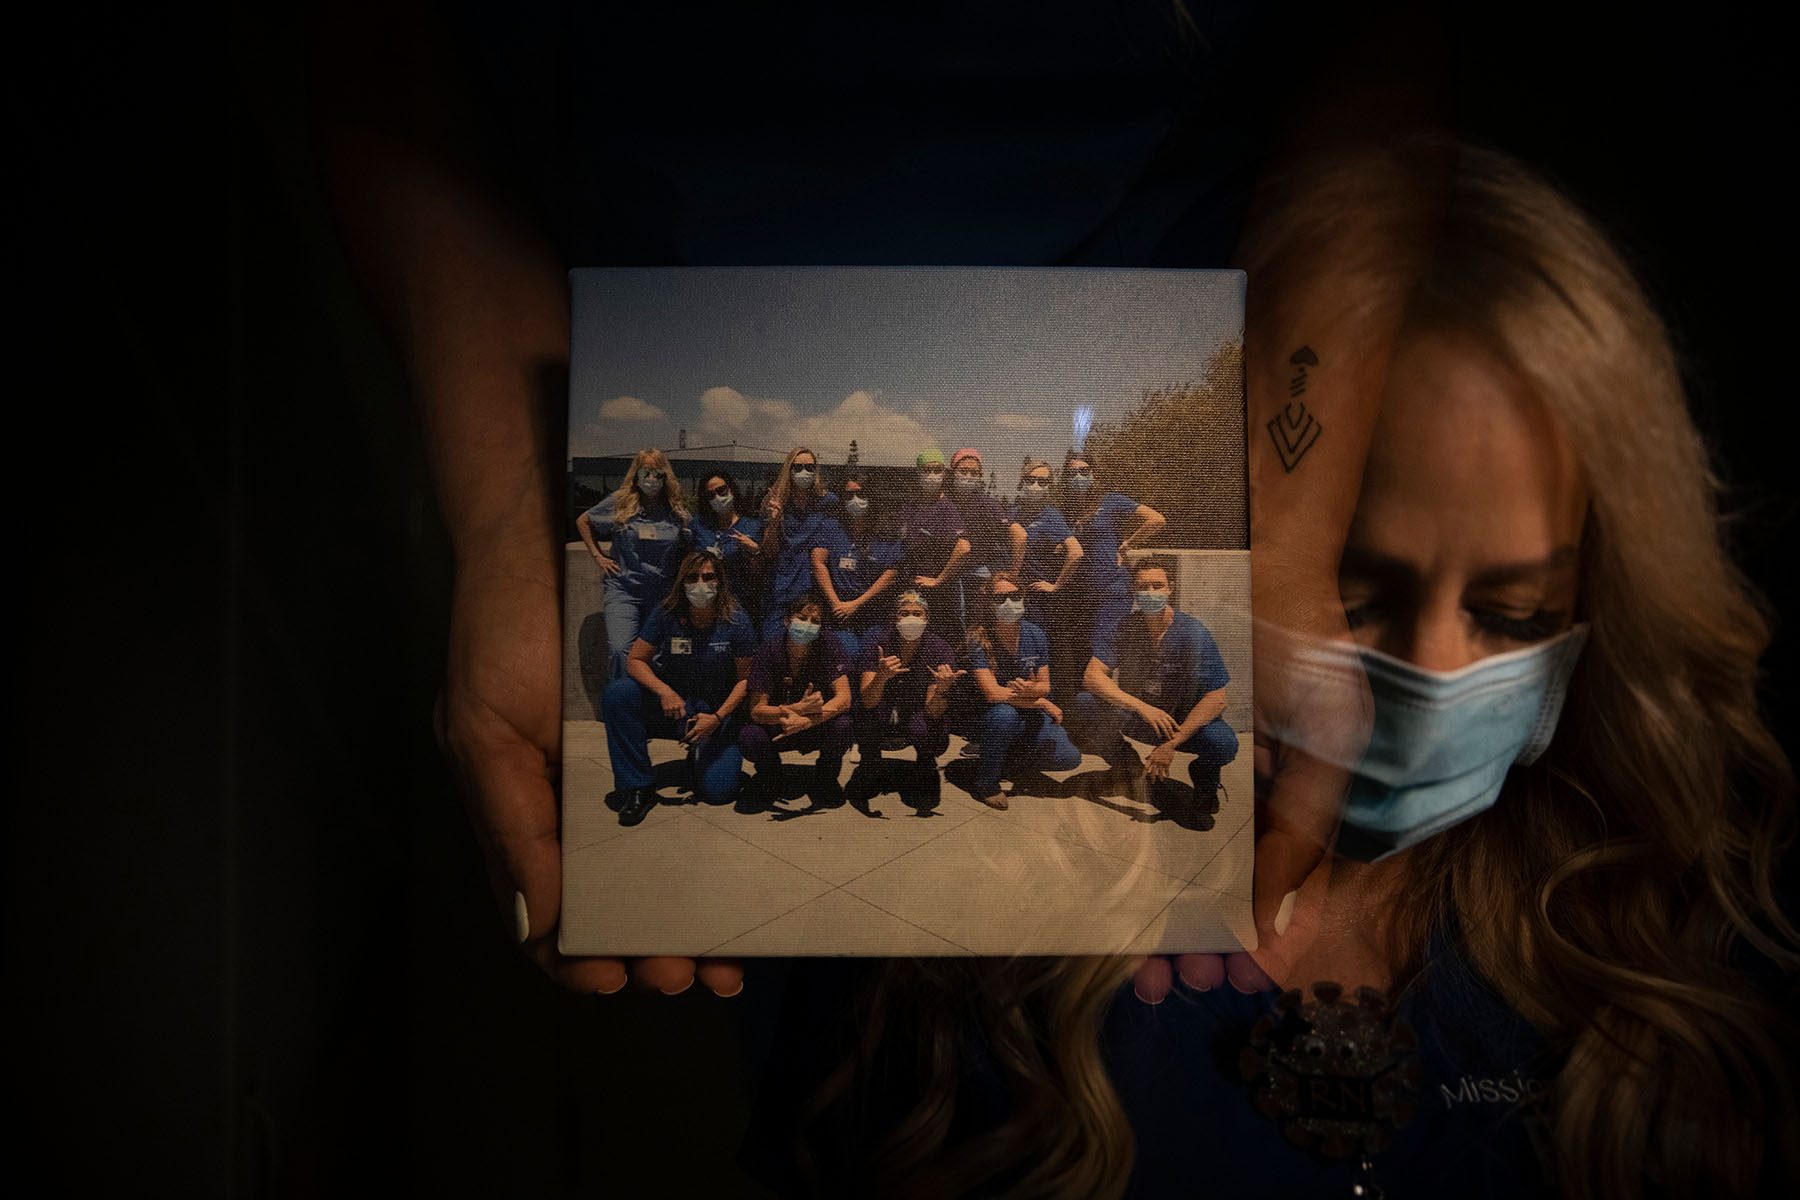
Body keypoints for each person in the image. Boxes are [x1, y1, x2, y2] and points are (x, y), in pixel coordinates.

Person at [750, 144, 1800, 1198]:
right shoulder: (981, 959)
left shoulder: (1647, 936)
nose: (1429, 673)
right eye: (1355, 587)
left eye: (1513, 613)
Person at [599, 550, 755, 827]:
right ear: (682, 582)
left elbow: (746, 679)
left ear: (720, 581)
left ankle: (703, 754)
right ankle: (638, 786)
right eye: (692, 578)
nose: (700, 584)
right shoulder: (667, 613)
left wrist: (717, 718)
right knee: (618, 694)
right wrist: (664, 692)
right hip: (674, 707)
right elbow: (635, 660)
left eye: (708, 577)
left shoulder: (736, 619)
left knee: (719, 793)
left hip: (714, 714)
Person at [1066, 559, 1238, 809]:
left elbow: (1217, 697)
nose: (1150, 593)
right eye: (1143, 587)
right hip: (1142, 718)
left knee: (1223, 743)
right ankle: (1128, 765)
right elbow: (1092, 676)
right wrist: (1141, 707)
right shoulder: (1124, 626)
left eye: (1157, 586)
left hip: (1179, 723)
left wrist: (1171, 744)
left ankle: (1205, 778)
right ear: (1134, 592)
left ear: (1170, 588)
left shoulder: (1193, 633)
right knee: (1084, 703)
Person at [959, 572, 1081, 811]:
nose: (1009, 603)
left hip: (1025, 710)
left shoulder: (1035, 633)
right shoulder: (977, 637)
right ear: (989, 603)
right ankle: (987, 783)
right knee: (1005, 715)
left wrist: (1033, 690)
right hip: (988, 715)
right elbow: (992, 695)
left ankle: (1004, 759)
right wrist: (1041, 702)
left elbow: (1045, 685)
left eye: (1015, 595)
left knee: (1069, 757)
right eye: (1000, 598)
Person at [1052, 450, 1165, 695]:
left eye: (1084, 471)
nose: (1079, 477)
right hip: (1081, 595)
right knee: (1082, 656)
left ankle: (1112, 719)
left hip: (1112, 591)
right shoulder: (1067, 509)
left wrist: (1128, 544)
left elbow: (1156, 520)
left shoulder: (1110, 500)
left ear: (1094, 474)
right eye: (1073, 473)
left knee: (1102, 657)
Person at [576, 448, 693, 679]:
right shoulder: (620, 502)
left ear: (665, 476)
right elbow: (584, 521)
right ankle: (622, 704)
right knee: (620, 650)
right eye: (645, 472)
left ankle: (652, 706)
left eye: (657, 473)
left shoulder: (674, 509)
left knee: (658, 654)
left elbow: (688, 543)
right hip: (624, 590)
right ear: (636, 474)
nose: (651, 479)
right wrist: (599, 556)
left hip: (660, 592)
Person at [738, 594, 855, 808]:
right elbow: (757, 710)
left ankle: (826, 777)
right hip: (779, 725)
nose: (808, 625)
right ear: (787, 621)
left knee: (844, 725)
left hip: (815, 723)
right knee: (750, 735)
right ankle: (770, 775)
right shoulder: (769, 649)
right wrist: (793, 709)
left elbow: (844, 699)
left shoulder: (829, 644)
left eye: (815, 621)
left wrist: (807, 720)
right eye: (802, 618)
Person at [855, 589, 962, 770]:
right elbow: (868, 701)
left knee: (926, 729)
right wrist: (880, 677)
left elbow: (933, 712)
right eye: (904, 613)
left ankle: (925, 760)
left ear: (926, 618)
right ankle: (869, 762)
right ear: (895, 618)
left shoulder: (940, 649)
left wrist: (942, 689)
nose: (910, 618)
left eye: (917, 614)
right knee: (864, 717)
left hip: (917, 711)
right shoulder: (877, 640)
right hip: (882, 707)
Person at [809, 469, 901, 665]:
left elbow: (891, 573)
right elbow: (818, 562)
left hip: (873, 614)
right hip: (838, 613)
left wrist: (856, 604)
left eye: (861, 493)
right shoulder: (831, 526)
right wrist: (836, 603)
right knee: (844, 655)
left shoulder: (886, 530)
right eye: (849, 495)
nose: (855, 500)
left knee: (872, 659)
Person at [758, 447, 838, 643]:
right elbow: (769, 551)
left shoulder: (827, 501)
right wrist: (774, 520)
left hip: (812, 586)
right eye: (798, 467)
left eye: (810, 467)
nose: (805, 472)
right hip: (782, 584)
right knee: (774, 641)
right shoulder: (775, 501)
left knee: (807, 644)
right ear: (789, 469)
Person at [1012, 456, 1085, 667]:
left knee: (1042, 653)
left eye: (1042, 481)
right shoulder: (1013, 513)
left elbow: (1076, 552)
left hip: (1042, 601)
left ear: (1049, 486)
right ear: (1022, 482)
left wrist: (1056, 585)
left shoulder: (1051, 516)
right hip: (1018, 597)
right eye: (1031, 479)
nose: (1035, 485)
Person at [894, 448, 972, 645]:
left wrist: (939, 580)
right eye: (927, 470)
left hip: (941, 595)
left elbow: (963, 547)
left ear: (944, 473)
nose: (932, 475)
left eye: (937, 470)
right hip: (912, 588)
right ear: (918, 473)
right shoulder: (909, 507)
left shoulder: (947, 508)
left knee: (941, 642)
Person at [946, 447, 1026, 635]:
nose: (968, 476)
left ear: (980, 476)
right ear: (953, 472)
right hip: (946, 574)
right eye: (963, 471)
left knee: (976, 623)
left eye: (974, 473)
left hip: (976, 575)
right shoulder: (944, 502)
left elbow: (1020, 535)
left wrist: (1011, 576)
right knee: (951, 624)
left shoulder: (987, 505)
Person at [690, 469, 766, 625]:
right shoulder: (698, 526)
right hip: (705, 603)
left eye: (721, 490)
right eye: (711, 495)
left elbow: (760, 574)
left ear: (731, 489)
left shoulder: (752, 527)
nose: (718, 497)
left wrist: (755, 551)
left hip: (739, 604)